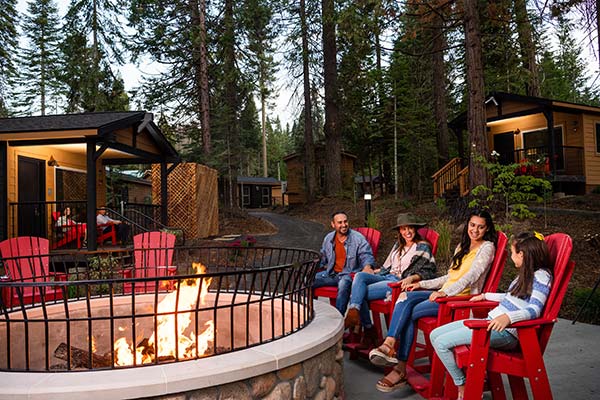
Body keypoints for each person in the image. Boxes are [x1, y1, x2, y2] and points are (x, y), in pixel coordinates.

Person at [368, 209, 497, 393]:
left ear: (487, 229)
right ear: (467, 225)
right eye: (472, 225)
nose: (475, 230)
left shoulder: (487, 248)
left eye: (480, 227)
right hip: (445, 293)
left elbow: (471, 276)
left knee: (409, 312)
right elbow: (448, 277)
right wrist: (421, 283)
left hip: (459, 300)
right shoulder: (462, 246)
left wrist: (446, 294)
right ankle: (389, 344)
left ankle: (400, 366)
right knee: (405, 296)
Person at [430, 232, 552, 400]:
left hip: (506, 332)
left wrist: (509, 318)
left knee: (442, 343)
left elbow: (534, 310)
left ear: (522, 255)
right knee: (435, 335)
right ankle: (462, 384)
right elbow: (510, 296)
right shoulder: (525, 275)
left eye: (512, 252)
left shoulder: (541, 276)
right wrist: (486, 296)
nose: (511, 256)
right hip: (490, 324)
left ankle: (462, 385)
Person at [343, 213, 437, 348]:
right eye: (403, 229)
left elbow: (429, 270)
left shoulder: (422, 247)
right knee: (359, 277)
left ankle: (367, 328)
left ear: (415, 229)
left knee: (357, 293)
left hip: (397, 283)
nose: (407, 232)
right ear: (399, 231)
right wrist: (373, 271)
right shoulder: (398, 246)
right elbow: (387, 266)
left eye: (410, 228)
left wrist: (412, 277)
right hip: (386, 276)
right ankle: (358, 316)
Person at [313, 210, 376, 316]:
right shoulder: (329, 238)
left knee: (343, 285)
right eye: (340, 222)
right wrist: (311, 267)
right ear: (333, 224)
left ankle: (338, 318)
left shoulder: (358, 238)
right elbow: (322, 257)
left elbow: (366, 255)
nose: (344, 225)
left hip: (348, 275)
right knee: (308, 280)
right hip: (331, 274)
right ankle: (309, 312)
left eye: (345, 221)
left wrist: (368, 266)